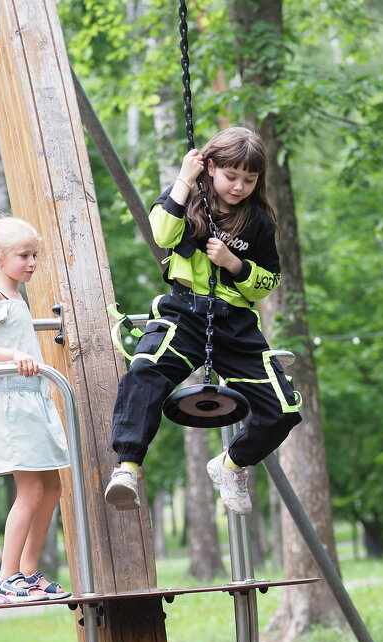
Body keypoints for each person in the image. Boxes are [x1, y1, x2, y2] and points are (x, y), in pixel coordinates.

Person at [105, 126, 302, 515]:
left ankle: (231, 465)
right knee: (144, 371)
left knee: (284, 410)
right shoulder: (190, 198)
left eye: (249, 179)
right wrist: (184, 178)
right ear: (210, 167)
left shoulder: (258, 222)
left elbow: (267, 283)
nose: (239, 187)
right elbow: (162, 232)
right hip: (184, 313)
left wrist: (234, 264)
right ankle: (127, 466)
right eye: (231, 176)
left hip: (236, 325)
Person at [0, 215, 71, 603]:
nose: (31, 263)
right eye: (23, 255)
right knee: (29, 491)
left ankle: (28, 572)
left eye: (34, 255)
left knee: (53, 488)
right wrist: (13, 355)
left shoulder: (17, 295)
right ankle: (5, 579)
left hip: (34, 400)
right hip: (12, 402)